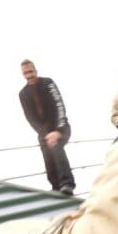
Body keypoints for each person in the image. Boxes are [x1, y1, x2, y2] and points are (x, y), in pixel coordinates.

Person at [18, 59, 76, 196]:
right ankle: (55, 187)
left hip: (61, 126)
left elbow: (59, 105)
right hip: (44, 132)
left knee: (55, 146)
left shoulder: (48, 83)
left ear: (36, 71)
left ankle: (67, 184)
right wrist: (44, 134)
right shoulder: (23, 94)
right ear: (22, 74)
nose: (29, 75)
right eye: (26, 73)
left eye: (31, 72)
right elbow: (30, 117)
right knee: (46, 152)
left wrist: (58, 131)